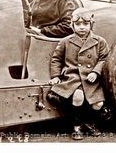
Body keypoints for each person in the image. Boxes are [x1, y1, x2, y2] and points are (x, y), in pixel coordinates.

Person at [46, 8, 110, 140]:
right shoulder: (66, 41)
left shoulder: (100, 41)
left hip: (92, 78)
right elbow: (56, 59)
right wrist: (56, 76)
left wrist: (95, 71)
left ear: (91, 25)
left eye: (85, 24)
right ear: (72, 25)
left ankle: (90, 123)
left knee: (97, 104)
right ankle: (78, 125)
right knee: (78, 97)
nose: (82, 27)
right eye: (78, 24)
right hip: (73, 77)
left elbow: (104, 58)